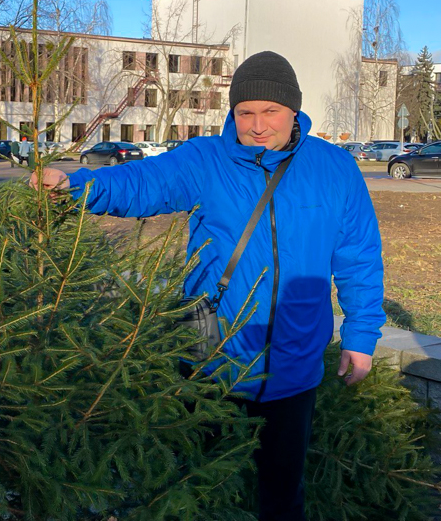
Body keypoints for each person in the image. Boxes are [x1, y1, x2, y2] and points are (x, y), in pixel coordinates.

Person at [31, 51, 385, 521]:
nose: (258, 125)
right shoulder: (205, 160)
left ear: (294, 111)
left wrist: (360, 336)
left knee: (281, 497)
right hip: (211, 364)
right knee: (198, 492)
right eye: (245, 113)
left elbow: (359, 257)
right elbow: (141, 182)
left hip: (294, 369)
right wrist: (74, 186)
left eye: (271, 112)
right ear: (232, 112)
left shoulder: (335, 169)